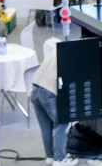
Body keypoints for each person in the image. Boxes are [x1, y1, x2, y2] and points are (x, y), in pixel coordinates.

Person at [32, 38, 79, 166]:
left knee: (46, 126)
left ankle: (50, 156)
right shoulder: (73, 57)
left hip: (35, 88)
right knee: (61, 123)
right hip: (48, 92)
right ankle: (59, 159)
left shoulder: (58, 48)